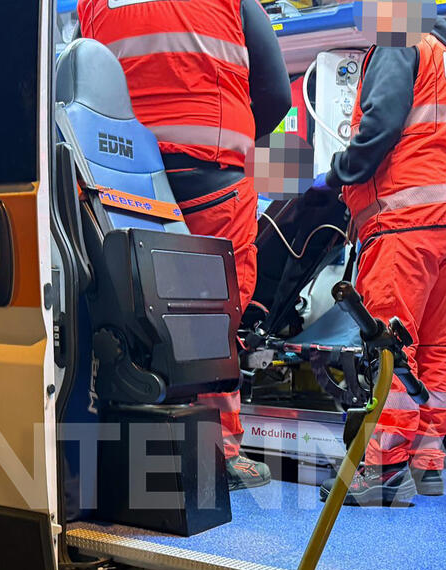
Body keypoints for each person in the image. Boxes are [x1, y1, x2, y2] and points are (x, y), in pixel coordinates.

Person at [76, 0, 292, 490]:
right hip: (211, 173)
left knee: (126, 309)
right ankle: (217, 456)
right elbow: (277, 93)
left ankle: (130, 448)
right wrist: (232, 137)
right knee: (213, 315)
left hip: (122, 178)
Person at [318, 4, 446, 506]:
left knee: (387, 347)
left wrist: (340, 169)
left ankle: (383, 467)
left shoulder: (398, 42)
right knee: (433, 348)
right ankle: (427, 459)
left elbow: (381, 125)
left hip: (402, 221)